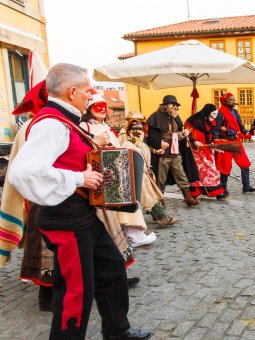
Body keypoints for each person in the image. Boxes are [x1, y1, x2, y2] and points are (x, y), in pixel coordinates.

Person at [8, 63, 150, 339]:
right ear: (72, 91)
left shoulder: (63, 121)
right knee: (75, 291)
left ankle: (117, 329)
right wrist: (78, 179)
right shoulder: (51, 124)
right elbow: (23, 172)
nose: (91, 95)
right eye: (88, 90)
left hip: (80, 215)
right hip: (65, 218)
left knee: (111, 267)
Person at [81, 93, 157, 248]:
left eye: (104, 107)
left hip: (115, 169)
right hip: (100, 172)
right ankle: (129, 236)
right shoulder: (84, 127)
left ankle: (133, 234)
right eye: (98, 106)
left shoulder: (106, 127)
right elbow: (84, 149)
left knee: (128, 199)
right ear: (89, 108)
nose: (102, 110)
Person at [122, 119, 178, 227]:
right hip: (135, 177)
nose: (139, 132)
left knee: (152, 196)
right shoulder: (127, 145)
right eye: (135, 129)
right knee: (147, 198)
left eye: (141, 129)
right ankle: (162, 217)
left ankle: (160, 217)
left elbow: (147, 154)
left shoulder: (141, 145)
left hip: (144, 175)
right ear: (129, 132)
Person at [146, 95, 199, 206]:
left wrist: (183, 135)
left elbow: (177, 134)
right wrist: (159, 143)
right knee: (160, 178)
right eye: (173, 105)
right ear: (165, 106)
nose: (175, 107)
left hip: (175, 152)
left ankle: (188, 198)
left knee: (181, 175)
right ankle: (160, 202)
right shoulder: (155, 117)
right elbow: (151, 136)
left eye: (176, 105)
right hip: (162, 153)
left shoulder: (175, 117)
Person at [215, 92, 255, 198]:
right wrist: (216, 142)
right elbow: (216, 128)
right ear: (225, 101)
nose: (234, 101)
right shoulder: (220, 113)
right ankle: (223, 189)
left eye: (234, 99)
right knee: (226, 166)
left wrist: (249, 135)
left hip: (235, 141)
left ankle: (246, 186)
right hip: (225, 142)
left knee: (245, 163)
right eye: (231, 99)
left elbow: (241, 126)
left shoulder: (235, 112)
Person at [184, 103, 225, 198]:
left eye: (216, 114)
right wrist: (194, 141)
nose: (215, 117)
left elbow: (210, 134)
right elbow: (187, 133)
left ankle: (216, 192)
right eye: (213, 114)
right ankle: (194, 193)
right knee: (197, 172)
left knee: (211, 169)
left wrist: (212, 143)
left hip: (206, 149)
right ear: (207, 113)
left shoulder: (211, 122)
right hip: (195, 151)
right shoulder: (192, 121)